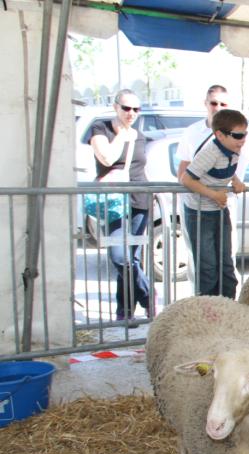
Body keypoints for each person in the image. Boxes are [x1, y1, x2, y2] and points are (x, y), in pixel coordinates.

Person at [89, 88, 152, 322]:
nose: (131, 113)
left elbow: (141, 166)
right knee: (120, 257)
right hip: (115, 201)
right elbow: (106, 158)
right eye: (126, 108)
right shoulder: (101, 128)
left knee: (132, 258)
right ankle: (147, 297)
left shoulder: (141, 135)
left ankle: (124, 311)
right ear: (115, 106)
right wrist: (122, 136)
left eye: (136, 109)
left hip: (139, 200)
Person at [178, 109, 249, 299]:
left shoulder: (233, 151)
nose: (242, 139)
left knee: (226, 263)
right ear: (219, 135)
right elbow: (187, 179)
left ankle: (228, 307)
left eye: (245, 134)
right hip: (199, 213)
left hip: (219, 210)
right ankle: (208, 314)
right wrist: (213, 195)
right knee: (208, 267)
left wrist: (235, 180)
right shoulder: (210, 152)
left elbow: (224, 169)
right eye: (238, 135)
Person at [175, 84, 249, 184]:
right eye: (214, 103)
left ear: (229, 105)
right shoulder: (191, 131)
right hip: (197, 197)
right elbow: (185, 163)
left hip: (226, 197)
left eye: (223, 104)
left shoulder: (242, 133)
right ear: (205, 103)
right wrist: (182, 191)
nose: (218, 108)